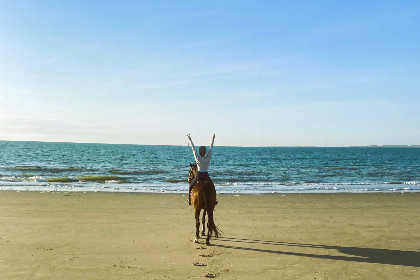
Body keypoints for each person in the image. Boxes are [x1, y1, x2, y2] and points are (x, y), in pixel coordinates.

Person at [187, 133, 217, 205]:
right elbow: (211, 148)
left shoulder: (197, 157)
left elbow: (193, 149)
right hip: (206, 175)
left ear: (200, 152)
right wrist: (213, 139)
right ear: (205, 152)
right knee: (212, 186)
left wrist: (190, 140)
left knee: (191, 186)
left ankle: (189, 199)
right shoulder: (208, 157)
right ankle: (215, 200)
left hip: (199, 174)